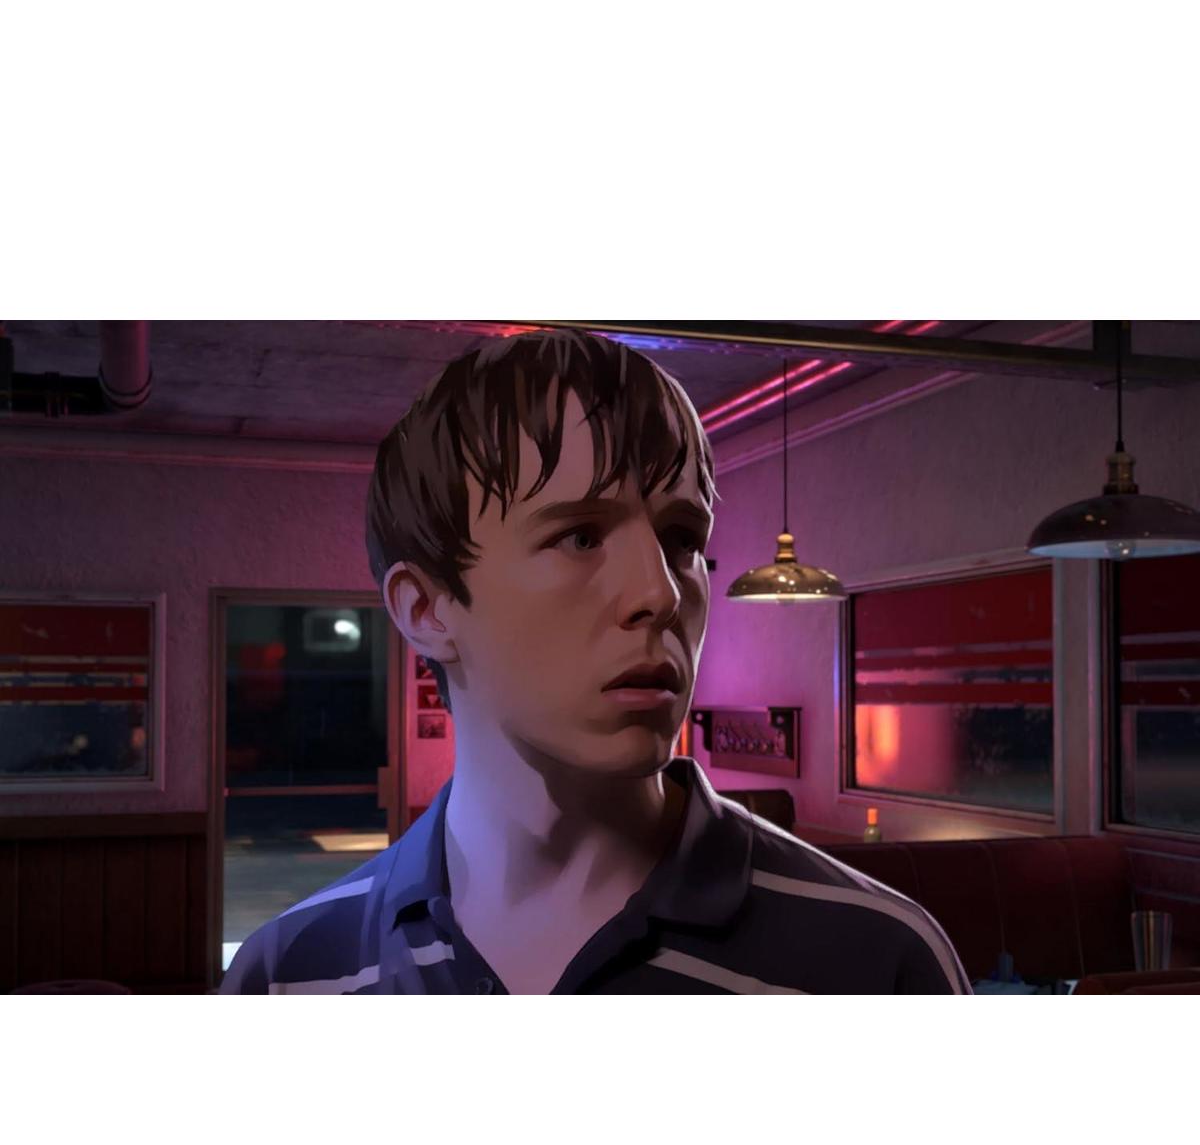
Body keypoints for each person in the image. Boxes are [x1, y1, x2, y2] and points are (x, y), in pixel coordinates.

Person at [221, 329, 970, 994]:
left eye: (682, 539)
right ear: (426, 610)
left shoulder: (878, 961)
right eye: (579, 536)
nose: (659, 593)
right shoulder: (287, 976)